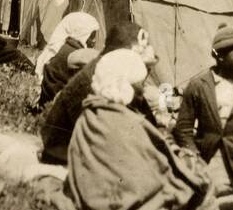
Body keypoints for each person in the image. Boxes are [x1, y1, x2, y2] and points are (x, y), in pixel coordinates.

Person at [65, 50, 222, 210]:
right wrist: (187, 166)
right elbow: (151, 169)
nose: (141, 92)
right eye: (138, 85)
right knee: (200, 187)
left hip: (95, 196)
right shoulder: (127, 122)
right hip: (125, 201)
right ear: (124, 85)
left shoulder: (90, 114)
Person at [40, 21, 157, 165]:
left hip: (73, 149)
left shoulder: (105, 67)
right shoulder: (102, 75)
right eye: (140, 51)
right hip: (65, 155)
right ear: (126, 51)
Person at [174, 25, 233, 201]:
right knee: (225, 200)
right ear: (221, 56)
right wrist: (195, 159)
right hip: (210, 158)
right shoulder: (198, 85)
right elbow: (183, 129)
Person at [35, 11, 99, 108]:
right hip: (55, 108)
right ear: (81, 33)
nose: (94, 41)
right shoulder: (74, 55)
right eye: (91, 36)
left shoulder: (63, 47)